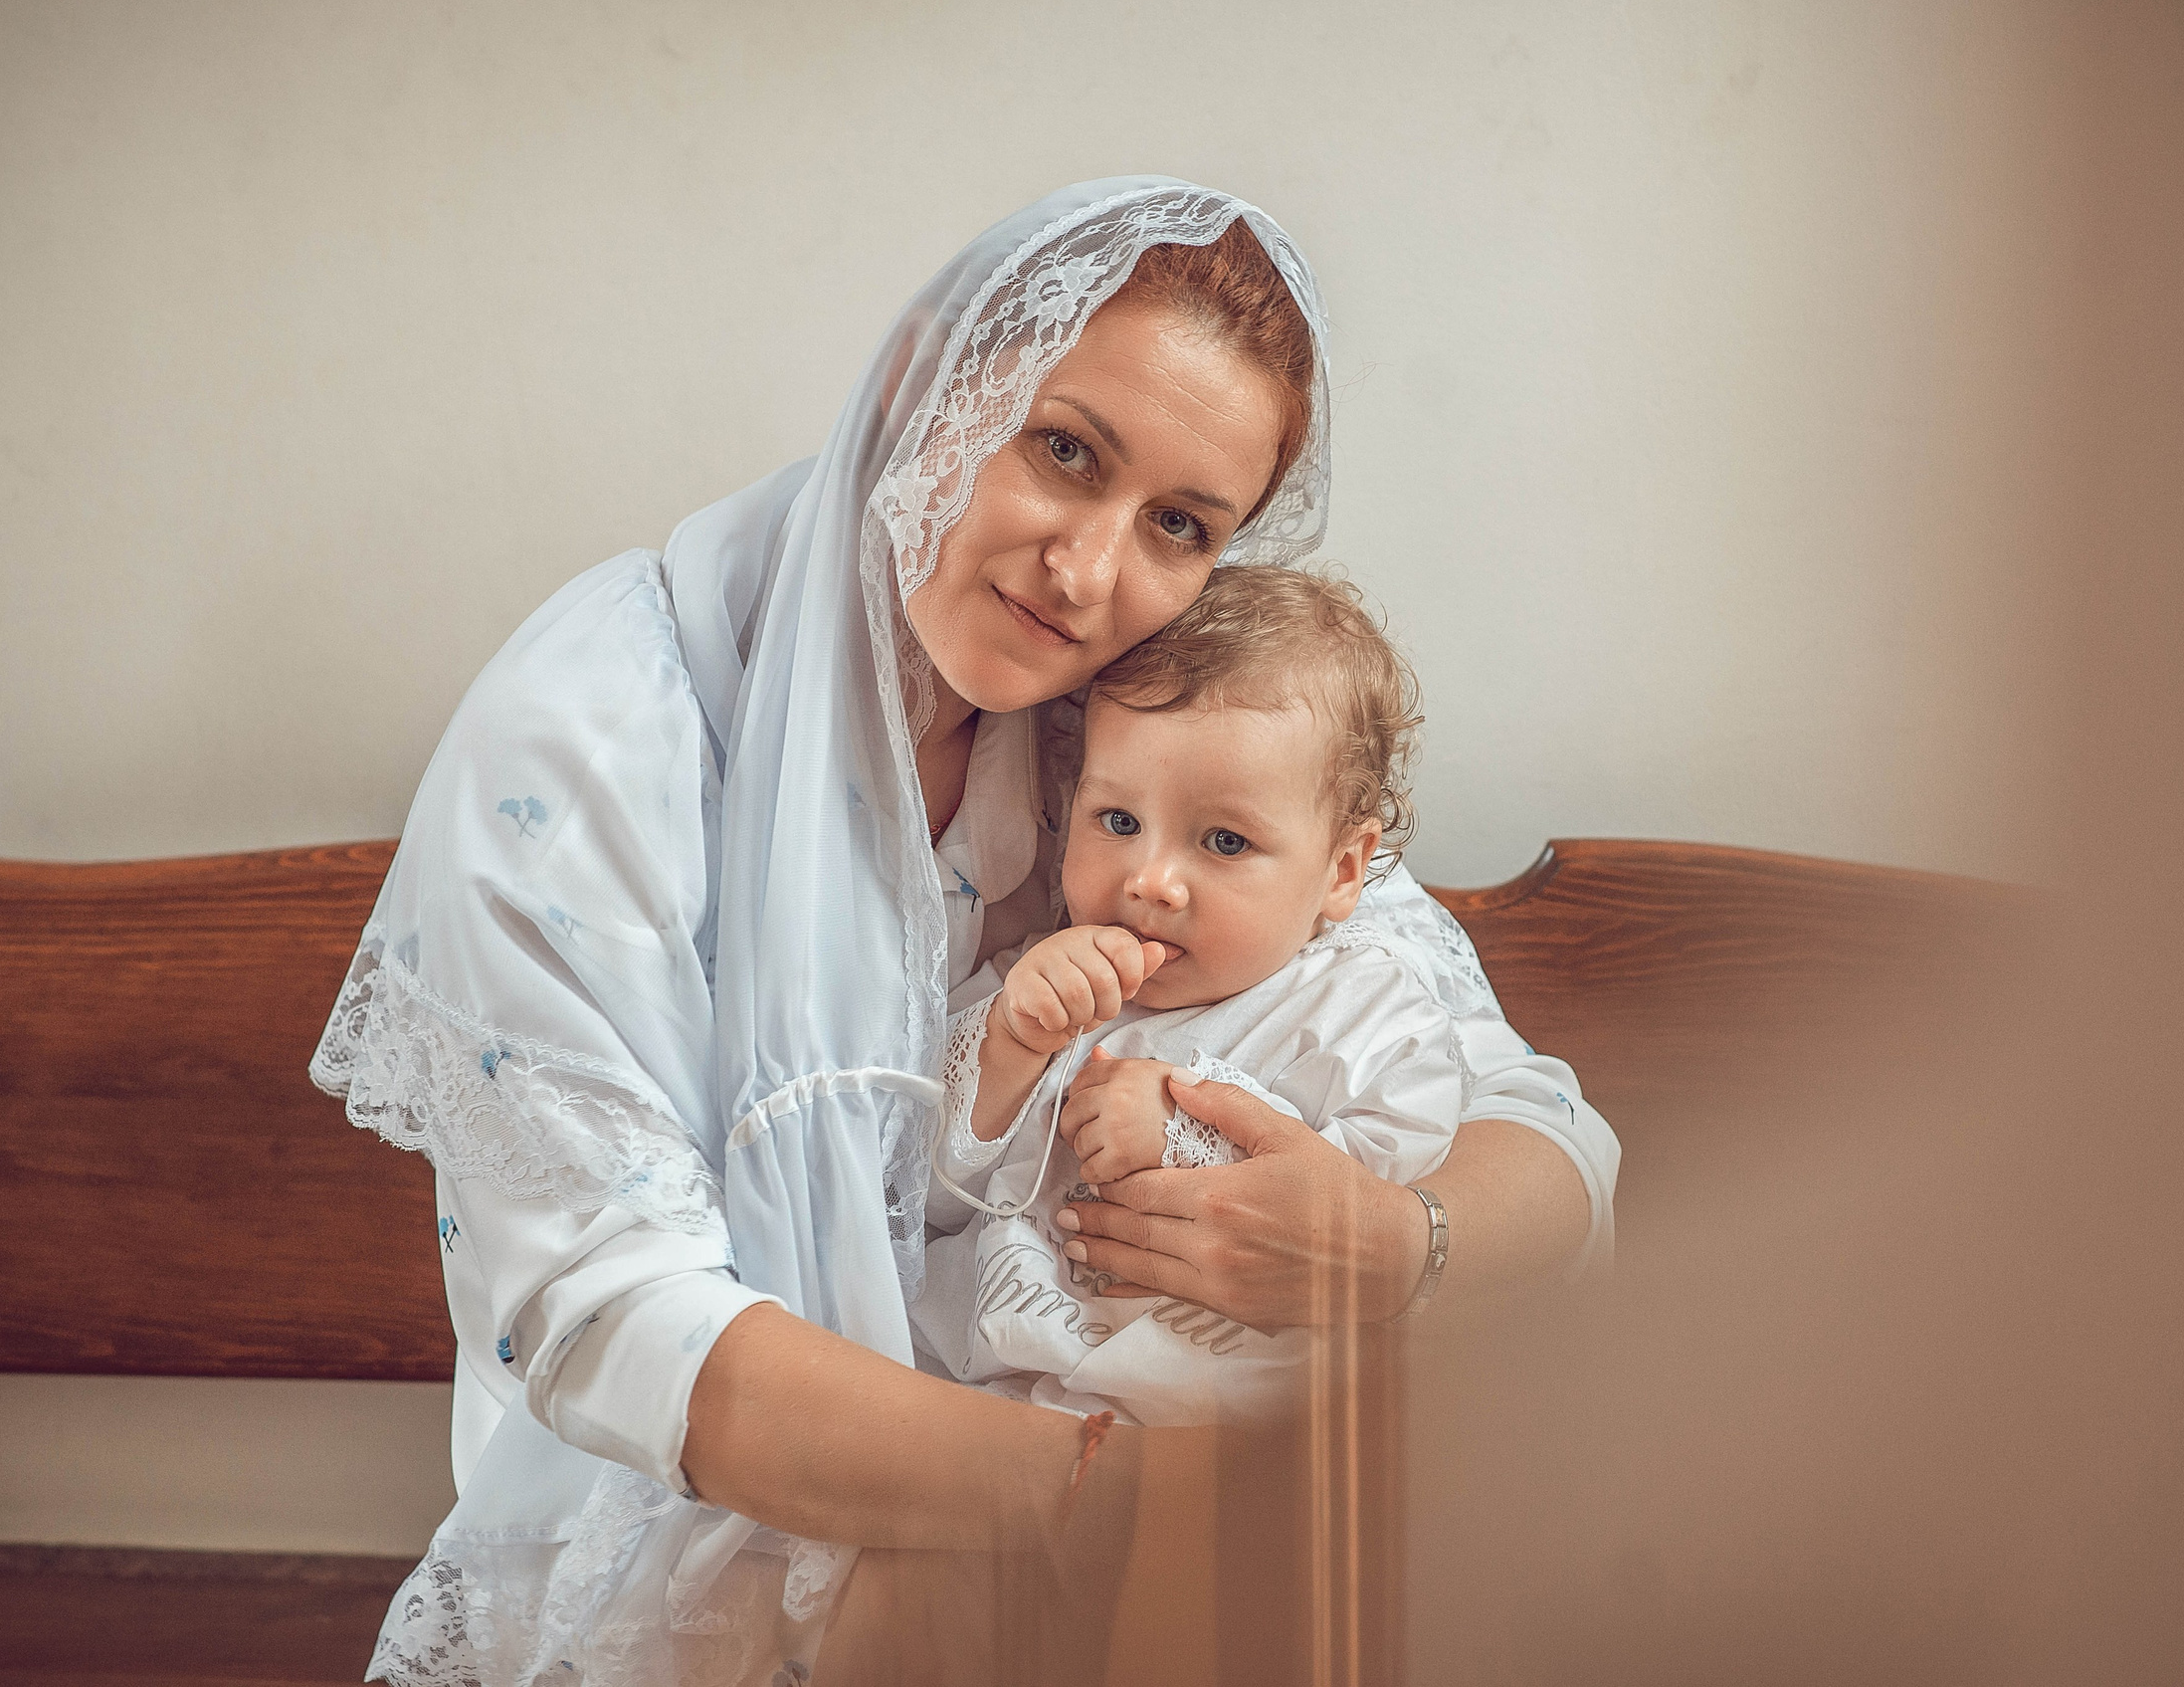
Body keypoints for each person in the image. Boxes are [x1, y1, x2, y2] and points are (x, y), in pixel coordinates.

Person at [309, 177, 1619, 1684]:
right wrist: (1138, 1503)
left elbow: (1535, 1124)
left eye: (1178, 525)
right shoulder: (599, 736)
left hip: (1106, 1444)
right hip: (713, 1503)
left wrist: (1400, 1242)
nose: (1087, 574)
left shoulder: (1147, 714)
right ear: (932, 371)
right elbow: (620, 1324)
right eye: (1064, 451)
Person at [915, 563, 1462, 1427]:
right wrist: (1006, 1048)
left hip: (1212, 1429)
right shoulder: (1048, 977)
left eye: (1223, 839)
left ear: (1342, 870)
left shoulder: (1364, 1014)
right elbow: (926, 1197)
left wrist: (1182, 1130)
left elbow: (1363, 1221)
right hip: (989, 1393)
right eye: (1119, 822)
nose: (1153, 881)